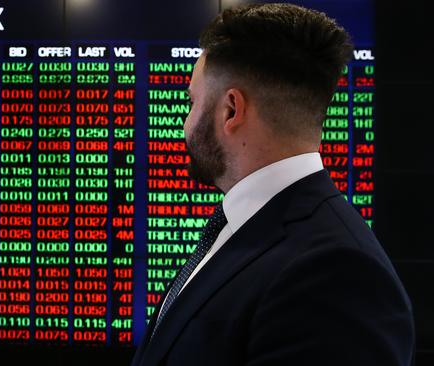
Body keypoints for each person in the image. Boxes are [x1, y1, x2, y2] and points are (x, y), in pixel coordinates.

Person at [131, 3, 415, 366]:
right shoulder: (243, 225)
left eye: (192, 102)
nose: (185, 124)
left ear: (231, 110)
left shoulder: (338, 274)